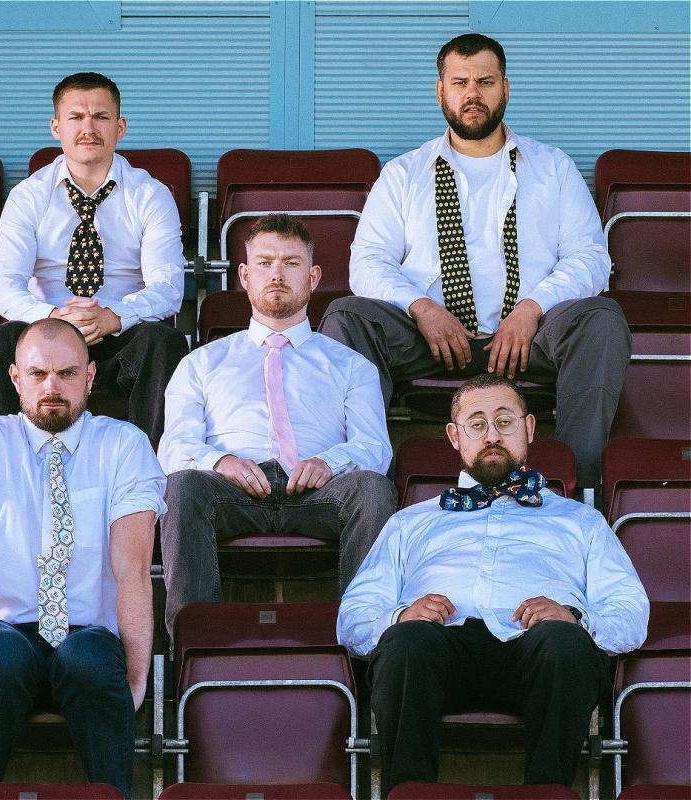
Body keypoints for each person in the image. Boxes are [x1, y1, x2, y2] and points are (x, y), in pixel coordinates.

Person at [319, 33, 630, 489]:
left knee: (602, 318)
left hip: (530, 338)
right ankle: (365, 484)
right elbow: (367, 262)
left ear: (505, 88)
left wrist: (532, 309)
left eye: (485, 82)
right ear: (440, 90)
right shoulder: (405, 172)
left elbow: (590, 258)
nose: (472, 94)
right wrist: (421, 309)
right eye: (460, 82)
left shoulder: (552, 167)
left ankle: (576, 489)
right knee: (346, 315)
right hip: (428, 340)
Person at [337, 373, 649, 794]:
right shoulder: (410, 521)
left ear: (529, 428)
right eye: (477, 423)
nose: (492, 435)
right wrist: (399, 616)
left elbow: (631, 611)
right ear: (454, 436)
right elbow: (353, 616)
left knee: (566, 643)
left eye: (504, 421)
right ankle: (407, 791)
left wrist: (575, 618)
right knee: (404, 642)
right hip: (437, 653)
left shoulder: (581, 520)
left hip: (541, 653)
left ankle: (548, 792)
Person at [0, 318, 164, 798]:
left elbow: (133, 572)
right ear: (16, 378)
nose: (52, 387)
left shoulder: (124, 445)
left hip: (88, 635)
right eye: (38, 374)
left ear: (91, 376)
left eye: (66, 372)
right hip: (3, 634)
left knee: (87, 659)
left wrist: (138, 677)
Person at [158, 214, 397, 634]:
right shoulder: (202, 363)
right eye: (265, 263)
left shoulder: (351, 365)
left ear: (313, 276)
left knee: (373, 488)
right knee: (181, 486)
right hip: (231, 494)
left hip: (319, 493)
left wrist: (330, 461)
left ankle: (364, 643)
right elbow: (174, 445)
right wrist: (221, 462)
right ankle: (196, 646)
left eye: (291, 262)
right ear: (245, 277)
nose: (277, 274)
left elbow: (375, 448)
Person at [0, 71, 188, 443]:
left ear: (120, 127)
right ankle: (5, 472)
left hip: (121, 335)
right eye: (76, 117)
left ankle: (148, 480)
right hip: (47, 331)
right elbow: (3, 285)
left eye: (101, 117)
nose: (88, 127)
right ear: (56, 126)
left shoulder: (150, 195)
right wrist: (54, 317)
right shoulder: (29, 196)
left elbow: (168, 288)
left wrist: (113, 316)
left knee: (164, 342)